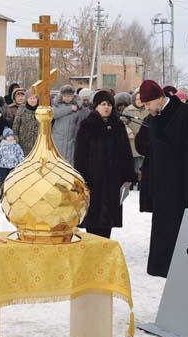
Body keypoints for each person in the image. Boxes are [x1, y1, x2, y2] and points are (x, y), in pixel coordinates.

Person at [137, 80, 188, 278]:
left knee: (186, 248)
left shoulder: (186, 117)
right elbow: (150, 154)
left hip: (184, 192)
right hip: (164, 193)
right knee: (166, 248)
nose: (146, 108)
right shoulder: (155, 117)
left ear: (159, 98)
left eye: (147, 104)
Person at [74, 90, 135, 239]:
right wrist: (81, 178)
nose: (106, 107)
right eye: (103, 104)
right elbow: (80, 154)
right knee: (93, 219)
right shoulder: (87, 125)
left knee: (108, 220)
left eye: (109, 104)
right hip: (93, 179)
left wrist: (128, 177)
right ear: (96, 106)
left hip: (113, 180)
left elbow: (126, 153)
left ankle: (105, 247)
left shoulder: (118, 126)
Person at [122, 90, 148, 187]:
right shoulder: (128, 110)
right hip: (132, 140)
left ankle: (142, 181)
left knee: (143, 162)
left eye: (141, 99)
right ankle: (133, 180)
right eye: (137, 99)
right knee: (134, 162)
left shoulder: (148, 109)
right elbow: (122, 123)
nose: (139, 101)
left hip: (145, 140)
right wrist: (128, 131)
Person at [52, 84, 80, 163]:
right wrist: (70, 108)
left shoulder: (78, 107)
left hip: (71, 140)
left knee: (70, 162)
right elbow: (55, 114)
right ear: (61, 96)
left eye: (69, 96)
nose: (67, 98)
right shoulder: (57, 105)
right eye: (65, 96)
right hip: (58, 140)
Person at [12, 89, 39, 155]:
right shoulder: (22, 108)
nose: (32, 100)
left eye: (34, 98)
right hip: (23, 142)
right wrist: (15, 137)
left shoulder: (41, 109)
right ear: (27, 99)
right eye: (30, 98)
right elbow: (16, 124)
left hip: (38, 142)